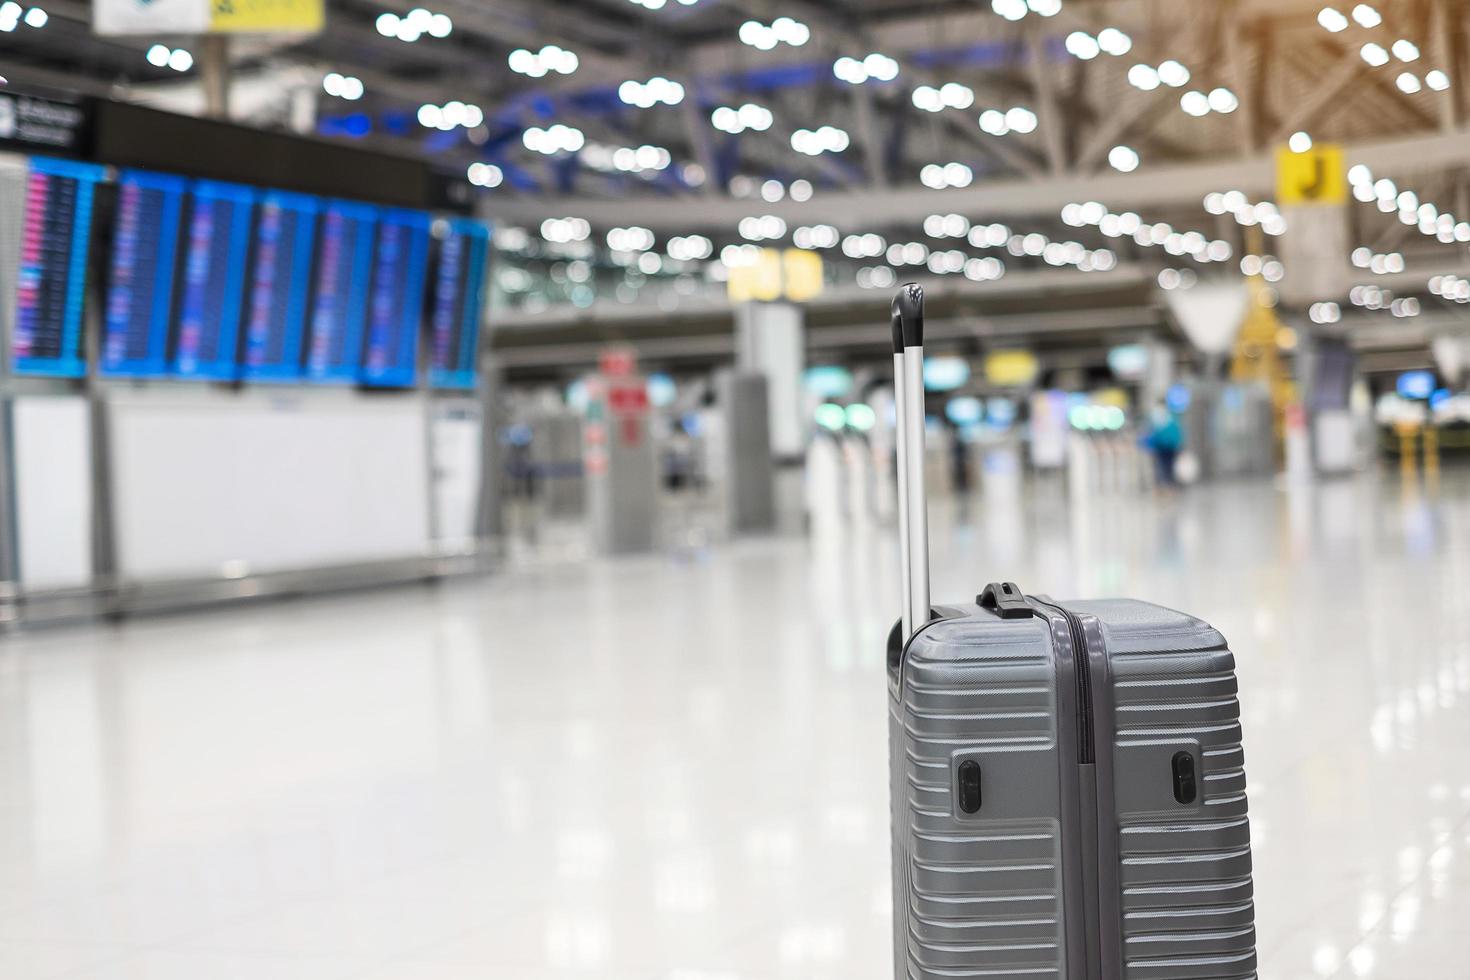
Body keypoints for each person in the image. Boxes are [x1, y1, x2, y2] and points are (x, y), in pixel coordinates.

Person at [1144, 400, 1184, 487]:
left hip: (1162, 446)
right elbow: (1178, 431)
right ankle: (1168, 484)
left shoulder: (1156, 416)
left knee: (1162, 465)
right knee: (1168, 465)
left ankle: (1164, 484)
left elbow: (1151, 431)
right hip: (1168, 446)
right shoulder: (1172, 416)